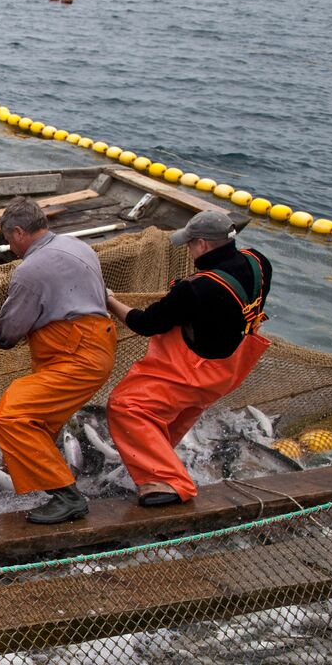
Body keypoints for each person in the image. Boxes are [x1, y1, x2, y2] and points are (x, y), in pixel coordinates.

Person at [105, 210, 272, 506]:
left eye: (191, 244)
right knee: (171, 414)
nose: (189, 249)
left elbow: (145, 324)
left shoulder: (196, 288)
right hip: (233, 365)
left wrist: (110, 300)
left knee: (126, 406)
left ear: (204, 245)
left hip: (196, 371)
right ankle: (154, 462)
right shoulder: (258, 262)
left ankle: (173, 483)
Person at [0, 198, 115, 524]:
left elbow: (10, 333)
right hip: (98, 346)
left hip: (76, 357)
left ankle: (67, 496)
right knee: (39, 421)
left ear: (17, 232)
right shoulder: (78, 245)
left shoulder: (30, 270)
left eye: (8, 240)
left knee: (11, 416)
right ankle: (24, 471)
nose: (10, 247)